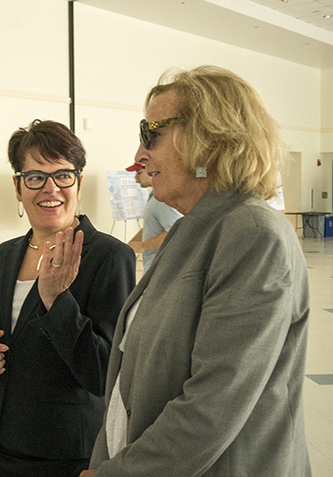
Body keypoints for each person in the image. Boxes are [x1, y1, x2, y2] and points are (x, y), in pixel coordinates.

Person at [84, 66, 310, 476]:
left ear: (209, 139)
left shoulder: (253, 233)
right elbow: (128, 380)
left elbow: (213, 404)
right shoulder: (191, 229)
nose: (138, 156)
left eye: (151, 133)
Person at [0, 120, 136, 477]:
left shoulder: (108, 257)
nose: (50, 188)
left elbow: (106, 373)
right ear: (18, 185)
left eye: (63, 175)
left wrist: (57, 300)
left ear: (79, 182)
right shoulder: (3, 256)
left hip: (64, 455)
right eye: (35, 177)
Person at [125, 161, 182, 273]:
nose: (136, 177)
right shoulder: (154, 197)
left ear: (151, 170)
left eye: (139, 172)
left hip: (161, 269)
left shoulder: (162, 200)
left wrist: (143, 246)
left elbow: (175, 232)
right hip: (153, 268)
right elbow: (149, 228)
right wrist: (126, 248)